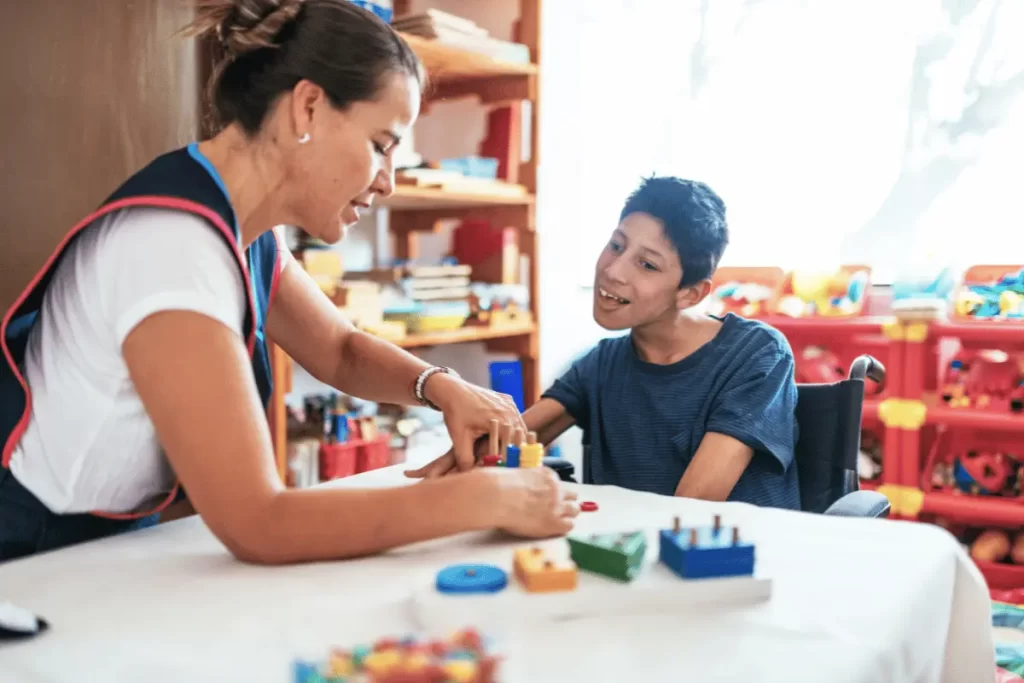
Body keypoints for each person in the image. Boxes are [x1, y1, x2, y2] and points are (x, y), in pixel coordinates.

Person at [0, 0, 577, 564]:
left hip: (104, 542)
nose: (389, 182)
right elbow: (258, 522)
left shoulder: (245, 228)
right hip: (30, 554)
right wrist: (471, 502)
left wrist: (442, 386)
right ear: (307, 108)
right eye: (381, 145)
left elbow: (340, 350)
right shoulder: (169, 247)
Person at [409, 176, 802, 510]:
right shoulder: (601, 364)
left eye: (647, 264)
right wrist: (444, 475)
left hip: (718, 571)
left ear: (691, 294)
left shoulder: (757, 355)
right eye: (616, 245)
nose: (613, 271)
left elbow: (691, 505)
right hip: (622, 564)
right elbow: (506, 443)